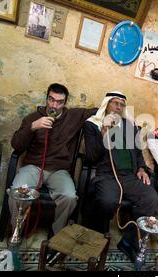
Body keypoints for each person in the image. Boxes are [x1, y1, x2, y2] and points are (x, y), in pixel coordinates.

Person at [9, 83, 97, 235]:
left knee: (70, 197)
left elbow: (98, 112)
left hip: (59, 171)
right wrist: (32, 127)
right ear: (46, 99)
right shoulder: (33, 117)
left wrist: (115, 112)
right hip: (33, 167)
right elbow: (16, 145)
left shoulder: (73, 116)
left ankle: (57, 233)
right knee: (17, 193)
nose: (54, 105)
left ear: (65, 103)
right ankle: (17, 231)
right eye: (51, 100)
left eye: (59, 102)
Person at [84, 91, 158, 263]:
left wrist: (141, 167)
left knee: (151, 198)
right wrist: (103, 134)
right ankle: (97, 238)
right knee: (107, 200)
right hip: (107, 175)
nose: (118, 107)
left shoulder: (130, 126)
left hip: (130, 176)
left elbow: (138, 152)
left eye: (122, 104)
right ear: (106, 104)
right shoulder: (93, 124)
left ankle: (129, 241)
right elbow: (90, 157)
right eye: (115, 103)